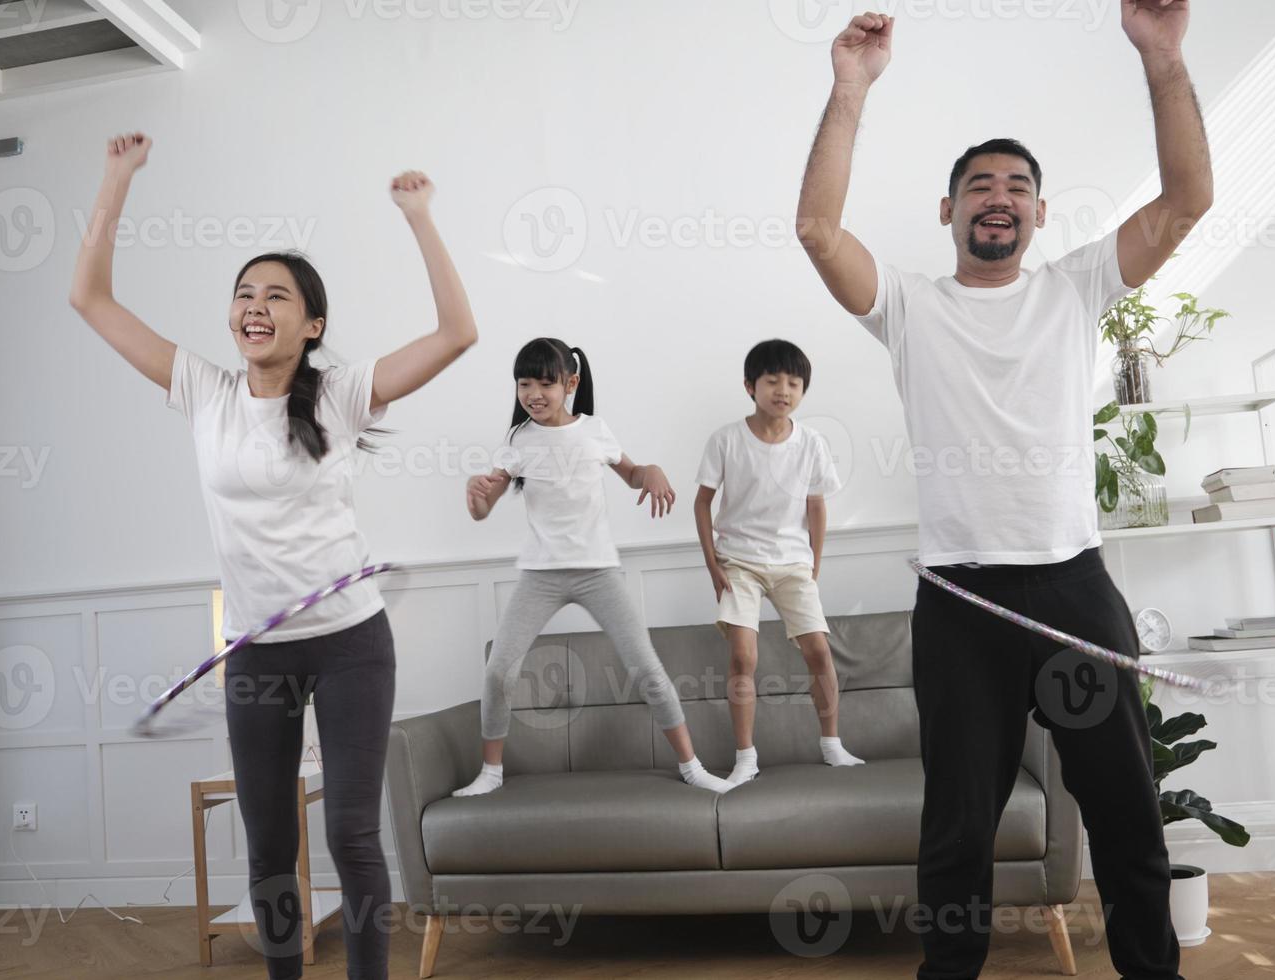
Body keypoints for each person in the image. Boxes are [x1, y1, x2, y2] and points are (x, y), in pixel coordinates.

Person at [796, 5, 1211, 978]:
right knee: (954, 839)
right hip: (962, 605)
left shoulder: (1077, 286)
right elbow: (817, 228)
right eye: (979, 184)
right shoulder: (908, 306)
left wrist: (1163, 59)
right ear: (948, 211)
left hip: (1073, 591)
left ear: (1038, 212)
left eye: (1018, 185)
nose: (999, 196)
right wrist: (850, 89)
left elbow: (1188, 198)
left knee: (1126, 819)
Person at [70, 134, 477, 980]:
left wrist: (419, 218)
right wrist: (116, 178)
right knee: (268, 845)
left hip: (350, 643)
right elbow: (90, 299)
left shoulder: (340, 393)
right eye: (244, 294)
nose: (255, 306)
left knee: (351, 835)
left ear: (311, 323)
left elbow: (459, 331)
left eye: (277, 296)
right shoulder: (203, 392)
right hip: (258, 649)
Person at [454, 337, 736, 797]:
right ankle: (490, 773)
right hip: (541, 575)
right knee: (498, 671)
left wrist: (654, 470)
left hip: (598, 572)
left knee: (647, 670)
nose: (534, 394)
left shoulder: (594, 430)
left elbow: (632, 475)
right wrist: (476, 496)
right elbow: (484, 508)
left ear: (571, 382)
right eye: (525, 384)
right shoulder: (517, 440)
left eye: (546, 383)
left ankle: (692, 766)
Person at [693, 338, 864, 785]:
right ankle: (745, 756)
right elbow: (702, 504)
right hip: (739, 563)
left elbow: (817, 507)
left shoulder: (811, 443)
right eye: (772, 380)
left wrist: (814, 564)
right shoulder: (727, 439)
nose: (783, 390)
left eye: (793, 382)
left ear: (803, 390)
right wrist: (714, 567)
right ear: (751, 386)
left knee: (819, 651)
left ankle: (832, 745)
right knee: (743, 657)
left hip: (792, 563)